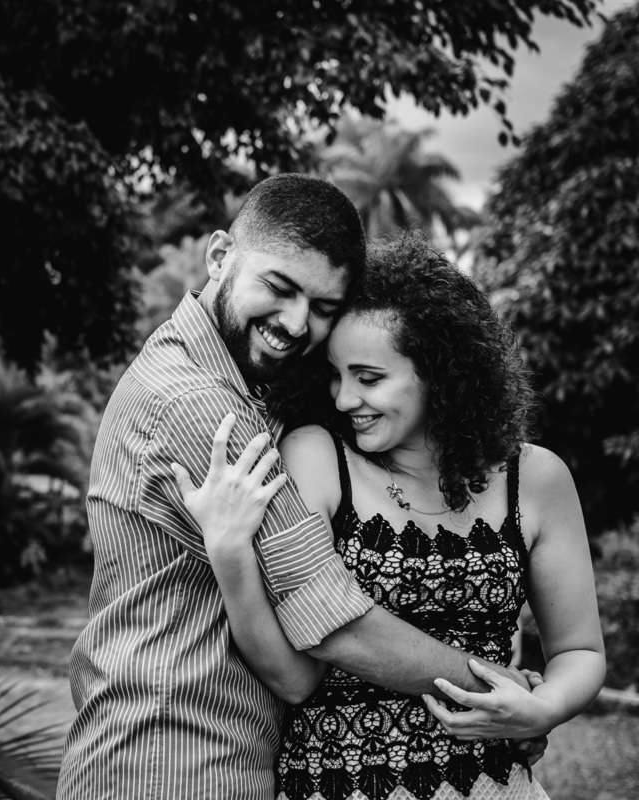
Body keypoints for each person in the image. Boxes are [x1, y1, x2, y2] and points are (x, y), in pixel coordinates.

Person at [57, 175, 545, 800]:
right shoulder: (201, 407)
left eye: (322, 308)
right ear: (219, 257)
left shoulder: (225, 377)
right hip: (171, 756)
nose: (295, 323)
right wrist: (510, 694)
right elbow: (332, 622)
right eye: (280, 288)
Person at [175, 230, 605, 799]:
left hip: (492, 786)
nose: (344, 399)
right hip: (335, 785)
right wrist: (229, 553)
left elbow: (580, 650)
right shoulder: (317, 459)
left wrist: (541, 709)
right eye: (334, 374)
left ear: (440, 372)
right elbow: (290, 672)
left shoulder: (536, 479)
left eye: (369, 378)